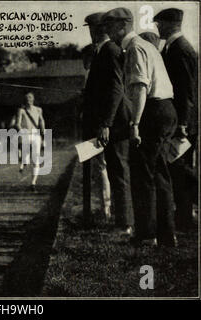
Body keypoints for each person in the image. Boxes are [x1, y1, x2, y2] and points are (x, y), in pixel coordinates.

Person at [103, 8, 178, 247]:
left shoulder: (135, 48)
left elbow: (140, 89)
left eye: (110, 25)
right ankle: (166, 235)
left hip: (152, 112)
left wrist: (135, 123)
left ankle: (147, 235)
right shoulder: (146, 46)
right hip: (166, 109)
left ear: (123, 25)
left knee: (143, 176)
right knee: (159, 174)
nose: (107, 30)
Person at [84, 12, 134, 234]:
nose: (91, 31)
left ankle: (125, 224)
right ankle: (120, 220)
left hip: (115, 122)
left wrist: (106, 123)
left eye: (92, 27)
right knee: (113, 170)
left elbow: (116, 88)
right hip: (107, 122)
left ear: (99, 29)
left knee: (119, 171)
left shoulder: (110, 50)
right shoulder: (101, 51)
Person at [154, 8, 199, 231]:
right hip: (182, 120)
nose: (157, 27)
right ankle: (184, 217)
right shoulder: (174, 48)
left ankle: (186, 217)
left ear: (171, 23)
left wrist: (183, 122)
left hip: (184, 122)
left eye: (159, 23)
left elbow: (187, 91)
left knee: (181, 169)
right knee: (178, 169)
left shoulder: (180, 49)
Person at [81, 13, 112, 223]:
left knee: (102, 167)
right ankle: (101, 208)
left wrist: (102, 123)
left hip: (100, 124)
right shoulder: (94, 65)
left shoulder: (104, 56)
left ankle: (106, 209)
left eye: (92, 28)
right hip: (95, 122)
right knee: (96, 167)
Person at [15, 92, 45, 191]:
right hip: (26, 134)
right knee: (25, 155)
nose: (28, 99)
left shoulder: (38, 109)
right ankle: (24, 162)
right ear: (24, 100)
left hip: (36, 135)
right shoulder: (21, 111)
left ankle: (33, 183)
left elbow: (41, 121)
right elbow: (18, 123)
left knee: (36, 160)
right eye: (27, 97)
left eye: (30, 97)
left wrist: (43, 133)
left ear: (33, 99)